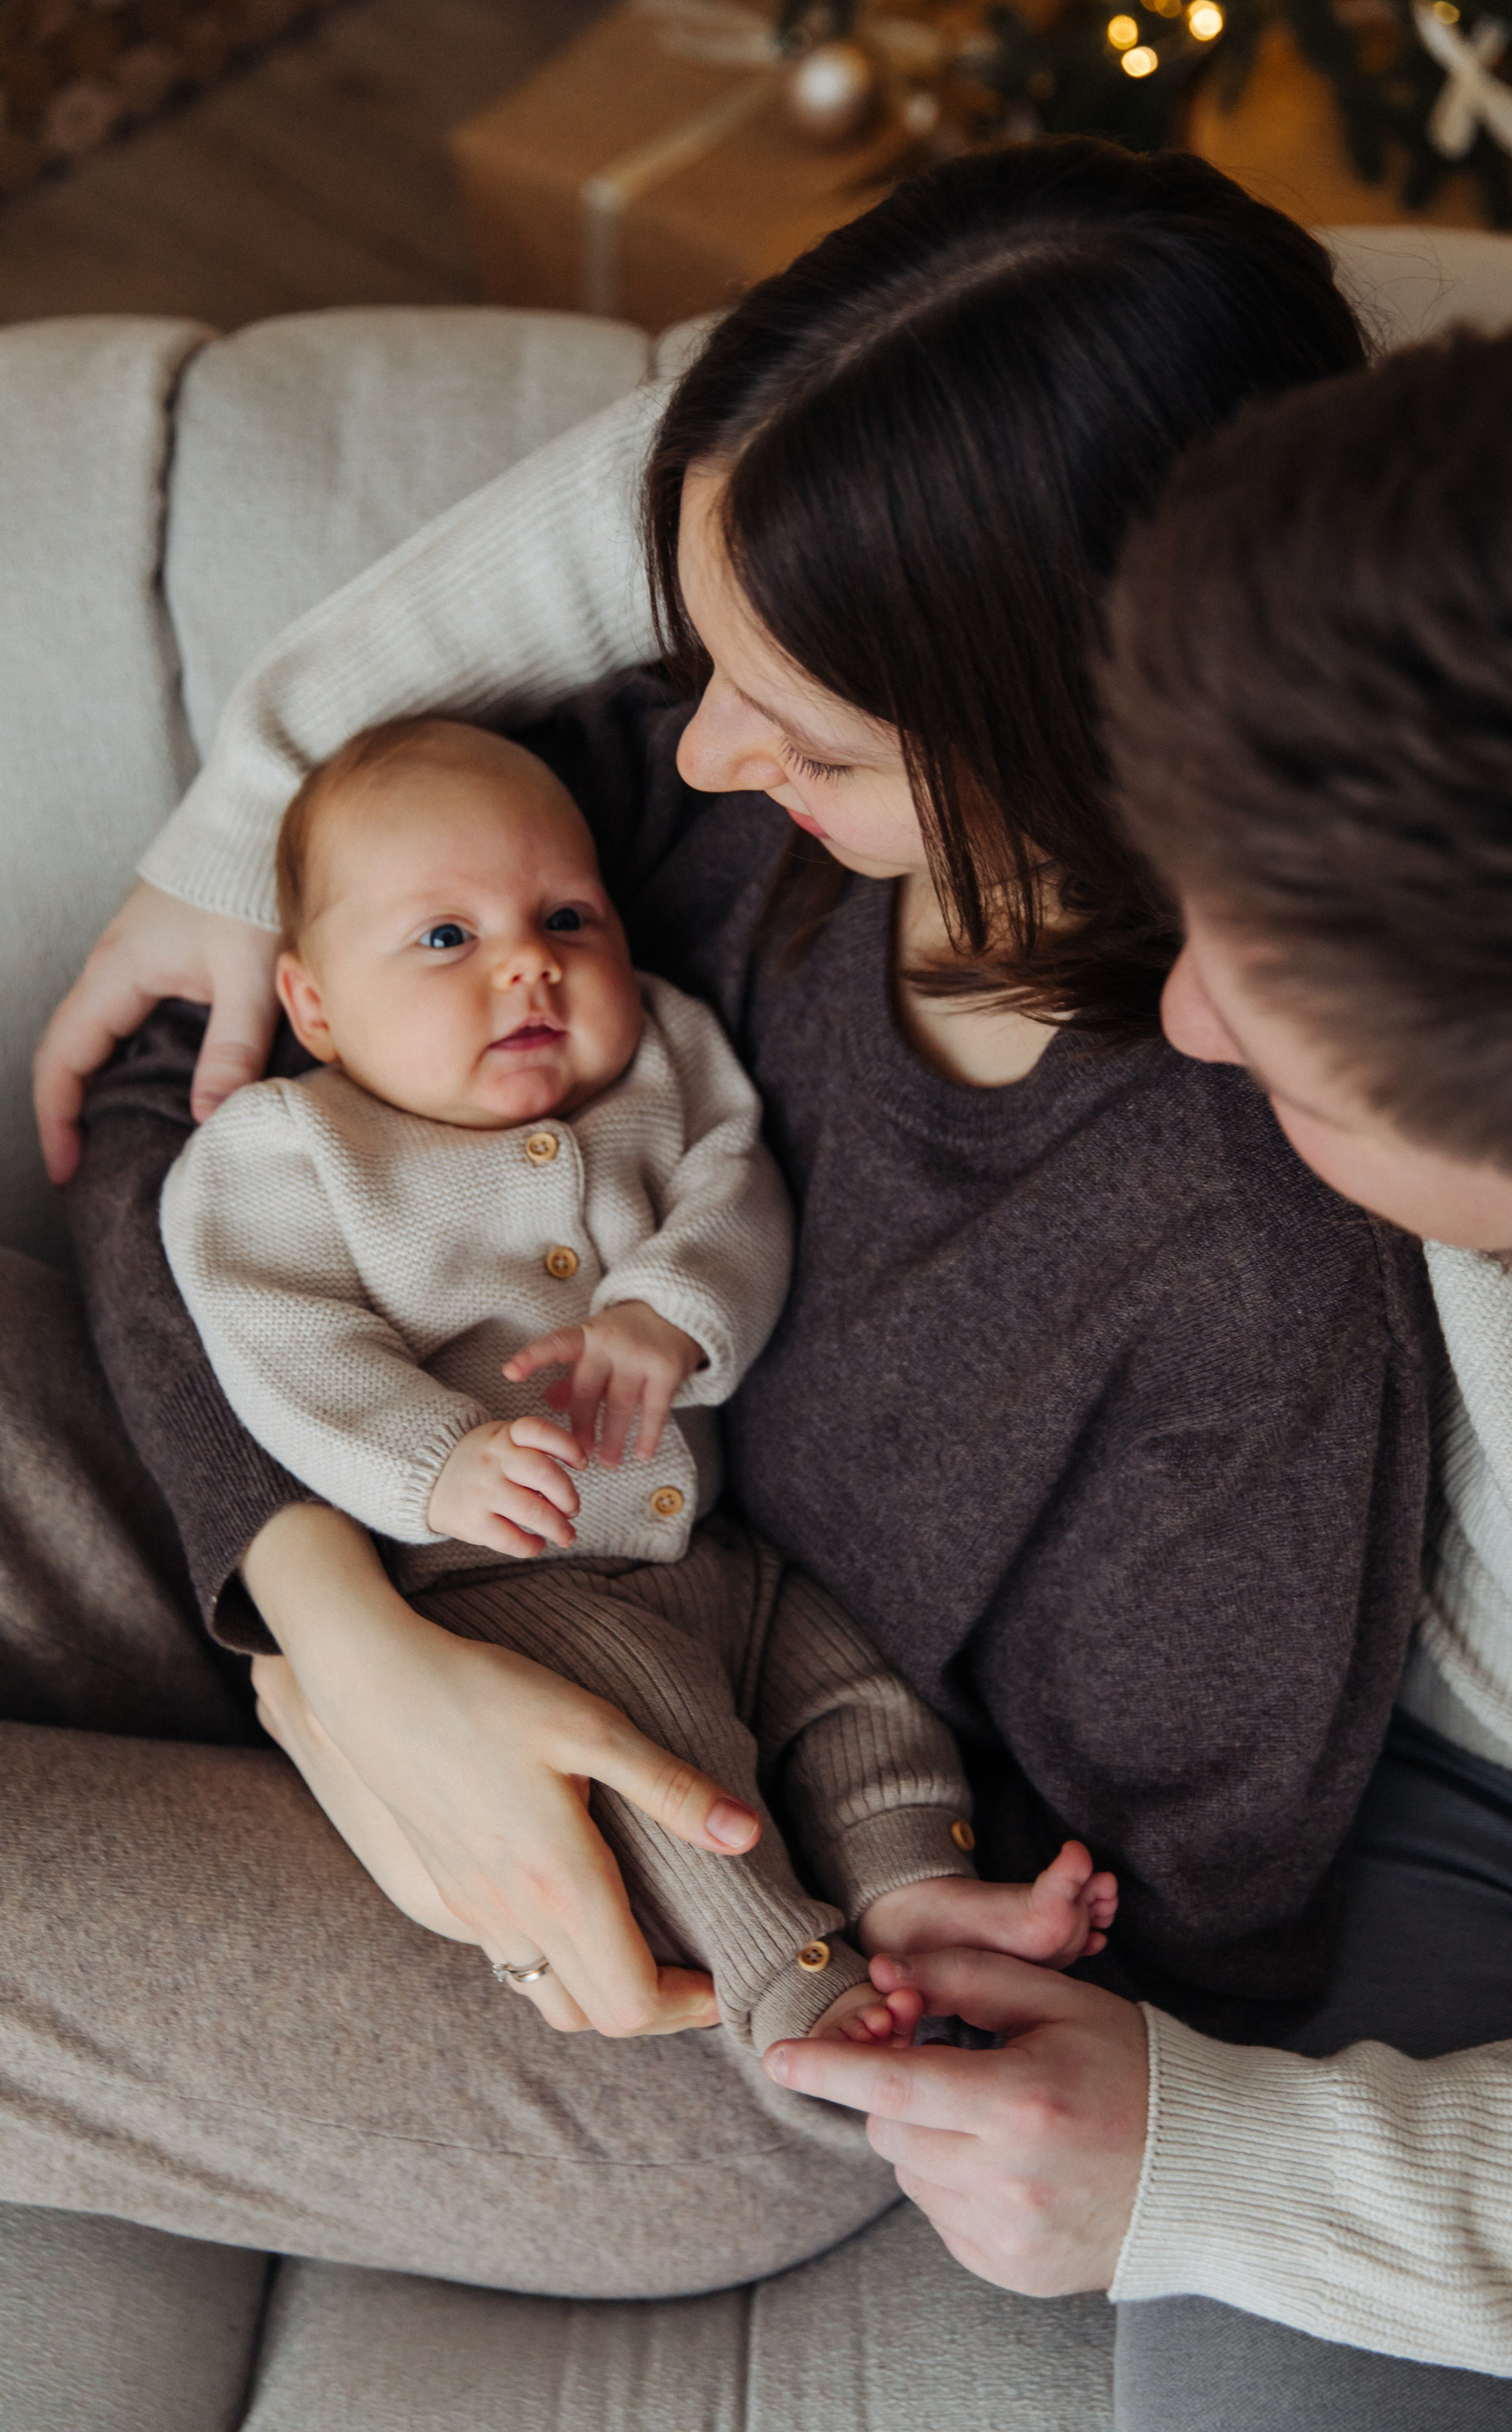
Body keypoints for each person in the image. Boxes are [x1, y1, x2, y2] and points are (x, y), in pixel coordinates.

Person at [2, 138, 1432, 2303]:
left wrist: (944, 1912)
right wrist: (335, 1638)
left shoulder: (1239, 1263)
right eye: (707, 657)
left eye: (824, 736)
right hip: (340, 1536)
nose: (723, 746)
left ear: (1081, 746)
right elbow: (170, 1096)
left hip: (695, 1955)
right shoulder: (694, 811)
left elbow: (1169, 1931)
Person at [769, 310, 1512, 2429]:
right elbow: (900, 366)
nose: (1179, 1038)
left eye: (1303, 1070)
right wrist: (269, 796)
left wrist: (1221, 2165)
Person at [163, 710, 1117, 2053]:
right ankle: (790, 1978)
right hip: (503, 1586)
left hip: (716, 1559)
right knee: (662, 1743)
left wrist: (669, 1311)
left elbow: (738, 1193)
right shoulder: (291, 1148)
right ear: (311, 1003)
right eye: (444, 939)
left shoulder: (662, 1058)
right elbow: (279, 1348)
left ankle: (916, 1888)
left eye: (565, 918)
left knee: (857, 1694)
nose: (526, 972)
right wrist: (436, 1458)